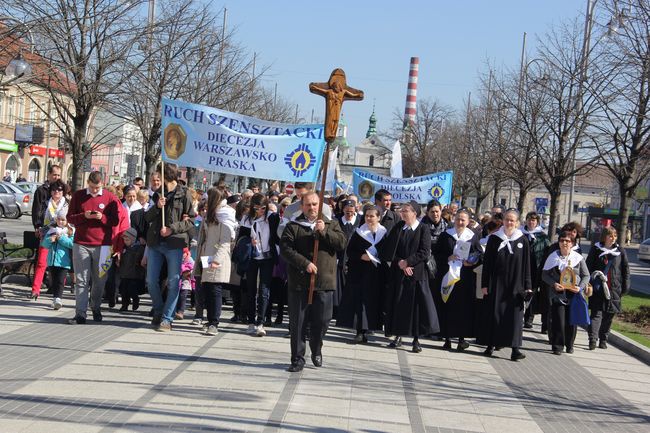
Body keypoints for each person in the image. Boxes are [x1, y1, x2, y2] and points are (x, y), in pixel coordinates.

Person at [280, 191, 347, 372]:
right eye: (308, 205)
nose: (312, 208)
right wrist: (305, 263)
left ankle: (316, 348)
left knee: (322, 321)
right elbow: (285, 249)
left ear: (320, 205)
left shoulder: (331, 224)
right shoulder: (293, 226)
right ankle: (297, 359)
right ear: (302, 206)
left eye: (315, 204)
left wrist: (323, 232)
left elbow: (341, 243)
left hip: (324, 282)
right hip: (300, 282)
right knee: (298, 322)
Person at [379, 201, 439, 353]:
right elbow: (389, 249)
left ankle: (416, 339)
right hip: (399, 272)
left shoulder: (423, 228)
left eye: (406, 210)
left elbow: (424, 251)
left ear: (415, 213)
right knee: (399, 305)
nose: (403, 213)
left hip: (417, 274)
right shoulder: (399, 228)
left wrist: (408, 262)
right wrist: (400, 262)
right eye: (402, 210)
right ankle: (398, 335)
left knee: (416, 309)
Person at [66, 171, 123, 324]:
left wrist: (102, 217)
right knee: (82, 280)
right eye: (92, 187)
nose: (94, 191)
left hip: (104, 246)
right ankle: (80, 314)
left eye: (97, 188)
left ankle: (95, 307)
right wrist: (84, 216)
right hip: (81, 243)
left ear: (102, 184)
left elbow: (115, 220)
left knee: (100, 281)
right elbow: (69, 218)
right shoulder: (78, 196)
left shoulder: (111, 198)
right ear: (88, 184)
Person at [144, 164, 196, 331]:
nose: (157, 177)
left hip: (174, 243)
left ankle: (167, 318)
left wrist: (172, 229)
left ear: (166, 174)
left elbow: (190, 221)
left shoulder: (185, 193)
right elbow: (147, 217)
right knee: (151, 281)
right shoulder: (160, 193)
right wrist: (157, 207)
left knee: (174, 281)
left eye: (160, 173)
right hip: (156, 242)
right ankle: (159, 309)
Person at [478, 209, 532, 361]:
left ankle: (515, 349)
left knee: (515, 318)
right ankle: (490, 345)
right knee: (495, 315)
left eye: (512, 220)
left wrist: (528, 285)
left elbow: (527, 265)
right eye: (507, 219)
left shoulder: (523, 240)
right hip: (497, 284)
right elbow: (487, 263)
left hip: (516, 285)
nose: (509, 223)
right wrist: (485, 284)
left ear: (517, 223)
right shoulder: (494, 239)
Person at [337, 205, 387, 343]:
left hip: (377, 272)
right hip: (360, 272)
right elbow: (350, 252)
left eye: (372, 216)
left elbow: (389, 251)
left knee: (373, 301)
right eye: (367, 216)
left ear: (378, 218)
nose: (369, 219)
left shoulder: (384, 233)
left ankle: (371, 328)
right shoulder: (359, 232)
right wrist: (361, 256)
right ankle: (360, 331)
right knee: (360, 301)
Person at [434, 209, 482, 351]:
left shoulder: (473, 236)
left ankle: (461, 339)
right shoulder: (446, 235)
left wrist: (472, 261)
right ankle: (447, 338)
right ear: (454, 220)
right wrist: (448, 258)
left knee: (463, 309)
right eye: (458, 219)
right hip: (448, 275)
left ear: (468, 222)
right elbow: (436, 254)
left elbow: (479, 253)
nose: (460, 222)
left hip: (465, 277)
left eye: (463, 220)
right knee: (447, 306)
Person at [541, 230, 590, 355]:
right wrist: (553, 284)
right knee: (558, 320)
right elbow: (544, 274)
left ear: (572, 244)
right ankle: (557, 346)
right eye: (562, 240)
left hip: (573, 294)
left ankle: (569, 345)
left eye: (567, 241)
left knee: (571, 321)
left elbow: (586, 275)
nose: (564, 243)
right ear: (559, 242)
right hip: (558, 293)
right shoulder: (553, 257)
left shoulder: (578, 258)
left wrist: (580, 287)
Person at [194, 187, 235, 335]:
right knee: (207, 289)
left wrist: (217, 260)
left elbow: (225, 242)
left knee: (215, 291)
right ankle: (209, 319)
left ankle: (214, 323)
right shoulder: (209, 215)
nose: (204, 201)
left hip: (218, 258)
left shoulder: (224, 216)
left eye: (207, 198)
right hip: (206, 256)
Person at [239, 193, 280, 336]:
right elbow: (241, 238)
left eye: (263, 208)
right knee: (251, 289)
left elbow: (277, 236)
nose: (260, 211)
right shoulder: (246, 219)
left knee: (264, 290)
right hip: (252, 256)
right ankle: (251, 320)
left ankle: (261, 322)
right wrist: (249, 241)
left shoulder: (272, 218)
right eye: (256, 208)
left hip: (267, 256)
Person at [586, 227, 630, 350]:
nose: (613, 238)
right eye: (610, 235)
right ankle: (592, 339)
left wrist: (626, 286)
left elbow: (625, 270)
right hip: (598, 288)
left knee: (609, 316)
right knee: (596, 314)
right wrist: (588, 283)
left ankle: (603, 339)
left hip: (614, 289)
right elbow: (588, 267)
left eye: (614, 236)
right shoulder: (595, 249)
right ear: (604, 237)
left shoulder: (620, 251)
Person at [30, 165, 63, 298]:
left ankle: (54, 288)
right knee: (42, 261)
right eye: (54, 175)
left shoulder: (63, 190)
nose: (56, 177)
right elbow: (36, 210)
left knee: (58, 262)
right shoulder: (41, 191)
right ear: (49, 175)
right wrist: (37, 226)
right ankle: (35, 289)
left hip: (60, 233)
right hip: (45, 231)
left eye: (59, 175)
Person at [521, 212, 551, 329]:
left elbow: (547, 252)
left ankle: (529, 318)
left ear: (537, 222)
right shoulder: (520, 234)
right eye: (529, 219)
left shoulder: (542, 237)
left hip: (536, 269)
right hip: (523, 268)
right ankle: (521, 316)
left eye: (534, 220)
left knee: (532, 293)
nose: (531, 222)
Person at [41, 209, 74, 310]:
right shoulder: (52, 230)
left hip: (64, 262)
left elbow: (72, 244)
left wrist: (61, 238)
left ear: (67, 221)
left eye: (63, 220)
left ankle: (58, 298)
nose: (60, 222)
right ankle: (55, 299)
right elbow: (44, 245)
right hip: (52, 261)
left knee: (60, 280)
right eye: (59, 219)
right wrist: (50, 240)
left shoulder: (70, 231)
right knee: (54, 281)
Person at [117, 228, 146, 312]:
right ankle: (124, 305)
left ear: (133, 239)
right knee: (123, 291)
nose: (125, 241)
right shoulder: (124, 249)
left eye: (127, 240)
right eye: (124, 240)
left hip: (134, 274)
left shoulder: (139, 248)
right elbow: (121, 259)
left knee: (132, 289)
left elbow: (142, 260)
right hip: (124, 273)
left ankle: (135, 300)